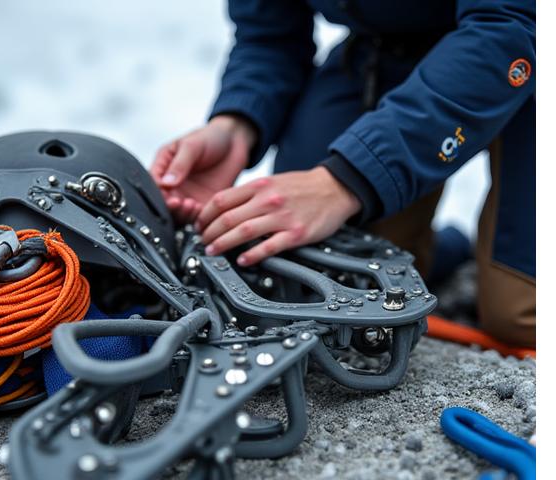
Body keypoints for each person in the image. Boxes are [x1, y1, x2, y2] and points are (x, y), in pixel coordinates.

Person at [150, 0, 535, 348]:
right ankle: (450, 252)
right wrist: (235, 125)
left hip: (525, 30)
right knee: (319, 282)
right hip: (390, 46)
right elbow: (270, 34)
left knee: (522, 318)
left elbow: (511, 25)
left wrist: (345, 181)